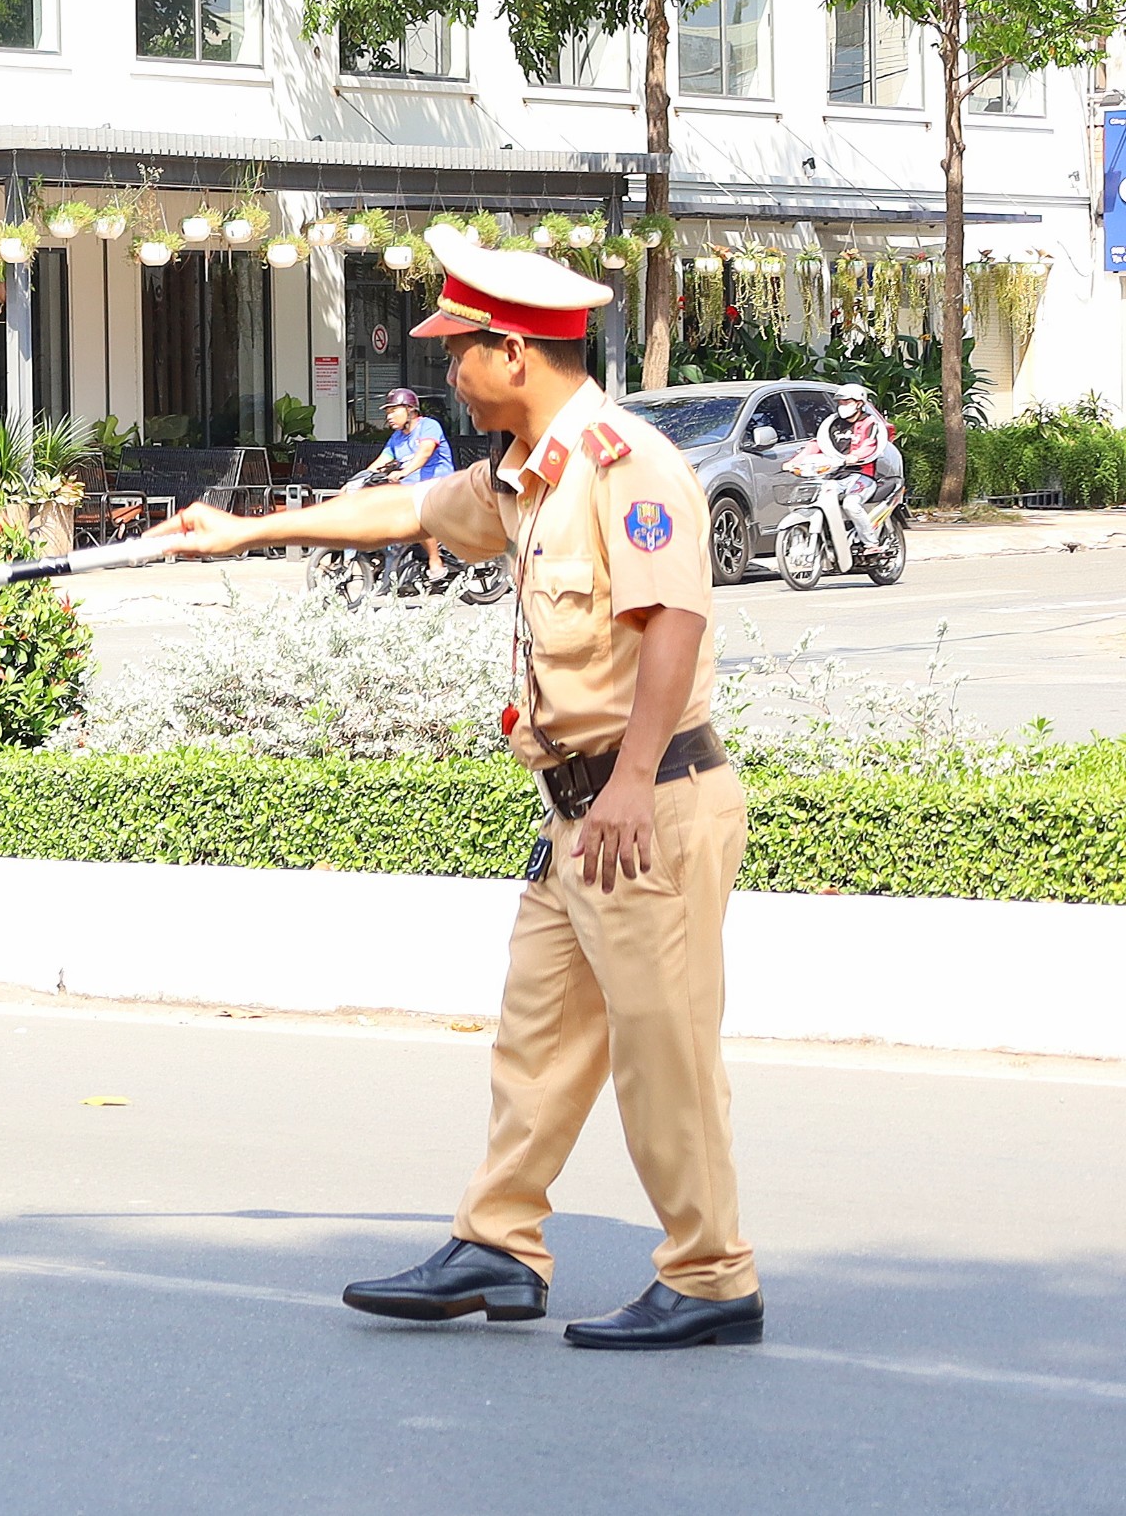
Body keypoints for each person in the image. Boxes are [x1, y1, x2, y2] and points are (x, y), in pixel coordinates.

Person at [159, 240, 762, 1351]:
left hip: (649, 804)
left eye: (458, 352)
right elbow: (404, 515)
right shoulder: (526, 470)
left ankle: (712, 1273)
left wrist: (628, 785)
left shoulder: (626, 465)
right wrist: (246, 528)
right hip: (579, 812)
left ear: (514, 351)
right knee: (535, 1035)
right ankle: (498, 1241)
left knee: (662, 1049)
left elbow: (672, 620)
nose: (447, 374)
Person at [379, 386, 455, 583]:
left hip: (439, 484)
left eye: (394, 410)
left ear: (411, 410)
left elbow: (425, 452)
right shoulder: (396, 438)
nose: (390, 416)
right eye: (388, 412)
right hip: (412, 488)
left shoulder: (428, 426)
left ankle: (435, 560)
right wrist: (359, 479)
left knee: (416, 514)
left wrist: (403, 472)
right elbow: (382, 460)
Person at [815, 382, 888, 561]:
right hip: (836, 475)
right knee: (819, 500)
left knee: (851, 504)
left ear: (859, 403)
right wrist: (794, 462)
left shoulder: (870, 423)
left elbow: (870, 444)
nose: (843, 406)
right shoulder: (833, 424)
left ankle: (871, 543)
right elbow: (817, 443)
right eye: (840, 403)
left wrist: (856, 456)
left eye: (847, 402)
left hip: (863, 475)